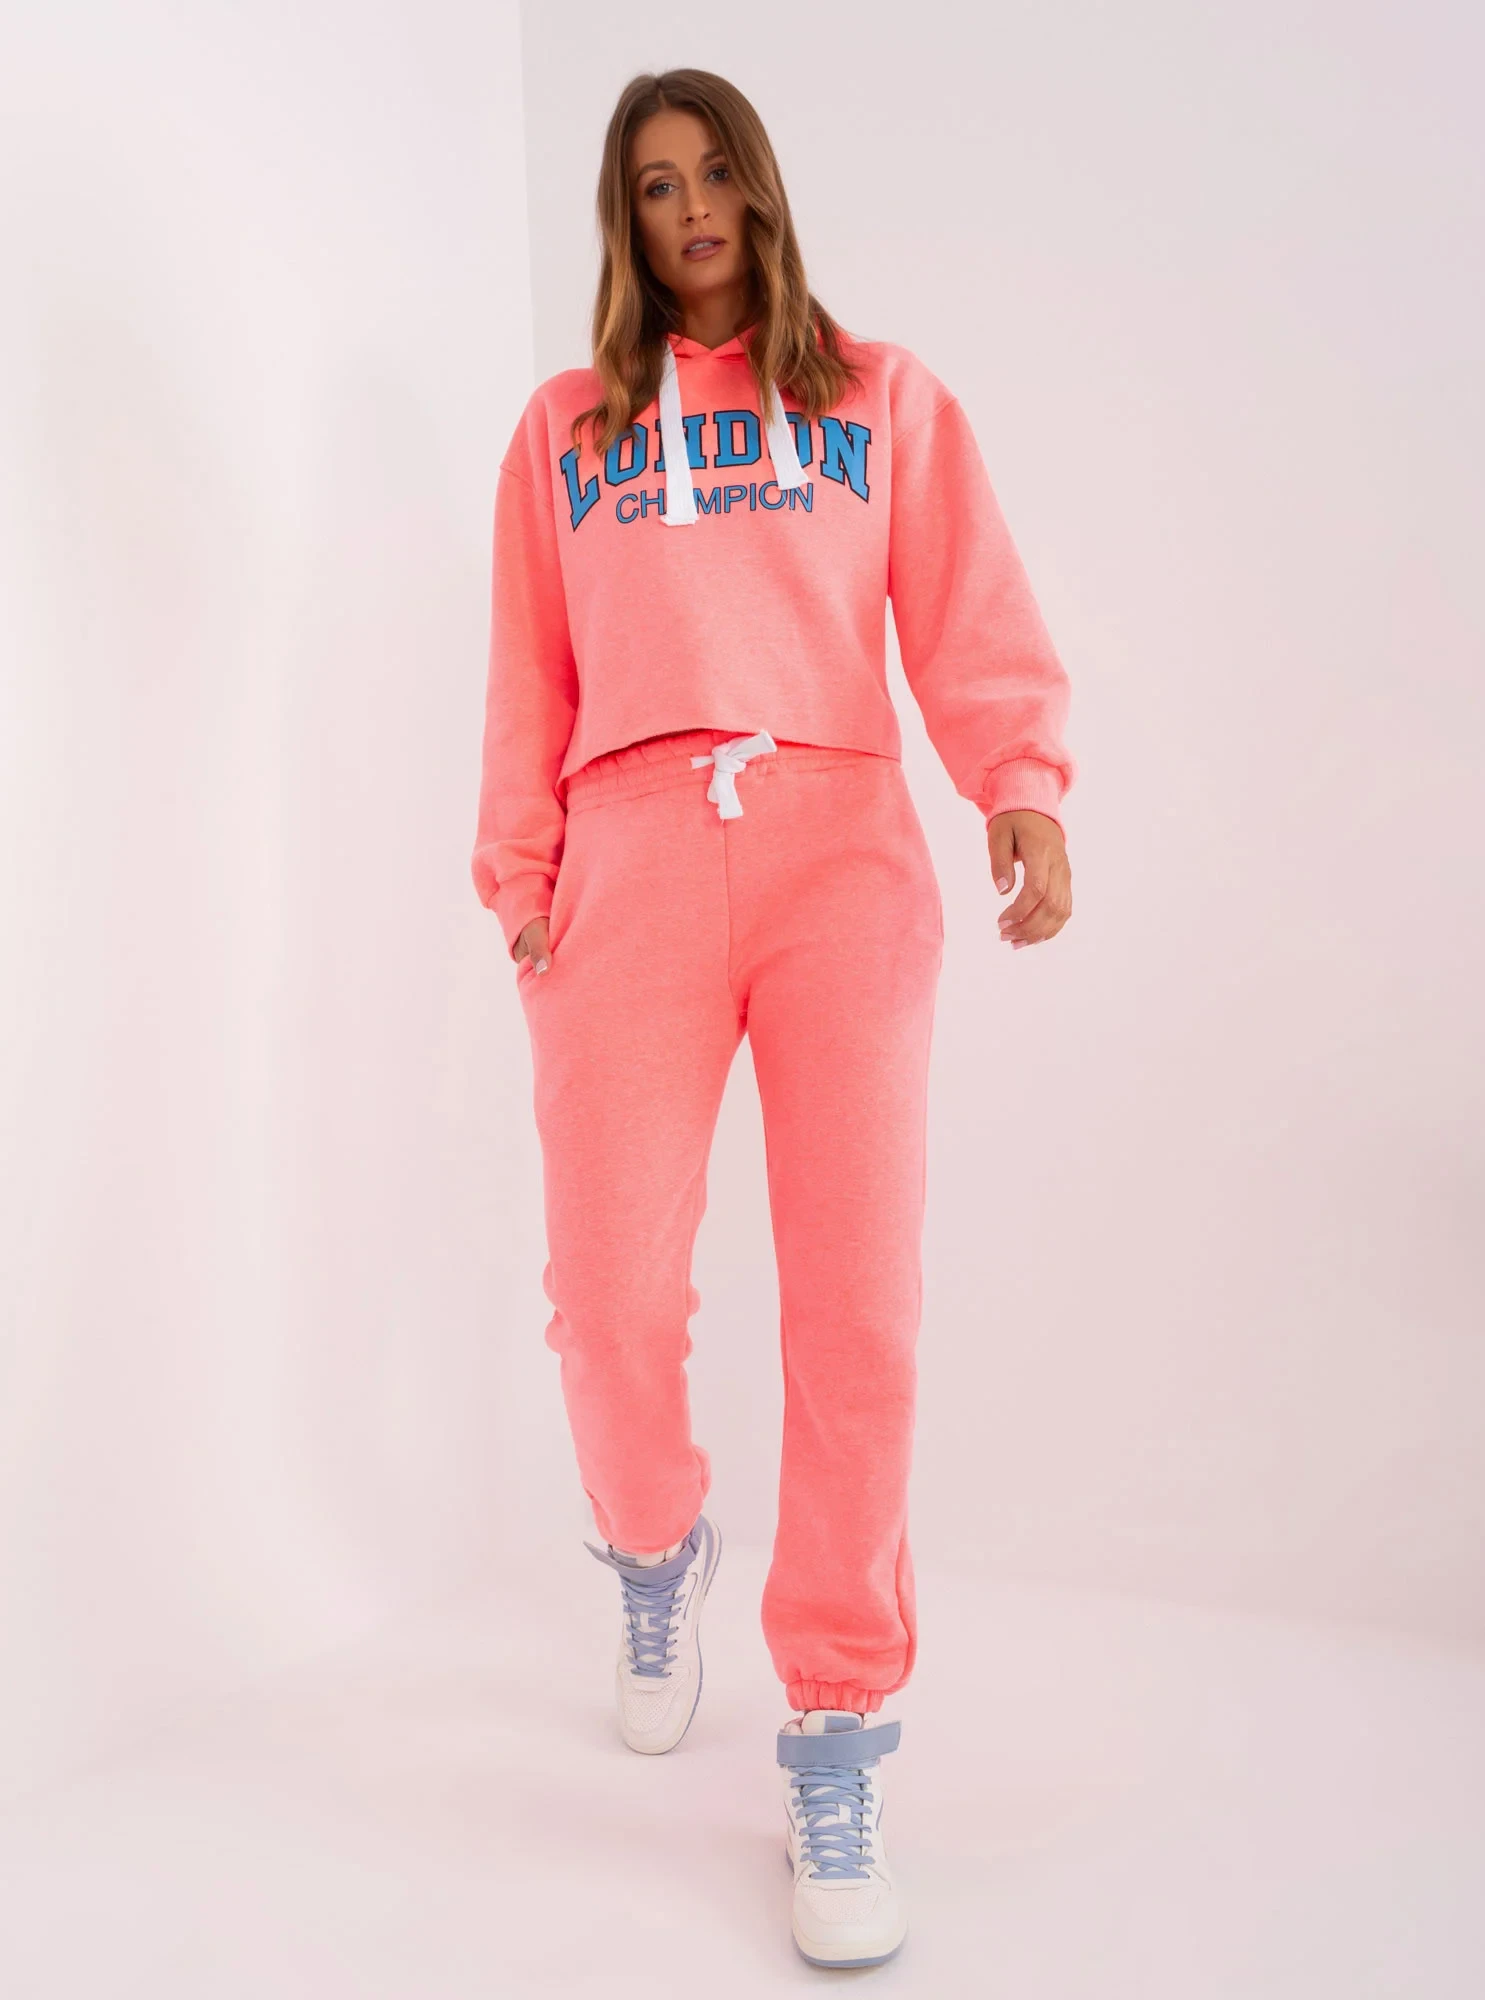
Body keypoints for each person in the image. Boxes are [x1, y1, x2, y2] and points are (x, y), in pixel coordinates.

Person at [470, 66, 1075, 1970]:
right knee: (608, 1300)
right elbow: (525, 671)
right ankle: (658, 1548)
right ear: (624, 220)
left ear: (763, 187)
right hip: (627, 860)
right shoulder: (568, 429)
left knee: (857, 1312)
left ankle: (835, 1727)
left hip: (837, 854)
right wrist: (522, 876)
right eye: (656, 185)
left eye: (716, 171)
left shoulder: (878, 398)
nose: (694, 209)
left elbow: (968, 611)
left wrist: (1021, 787)